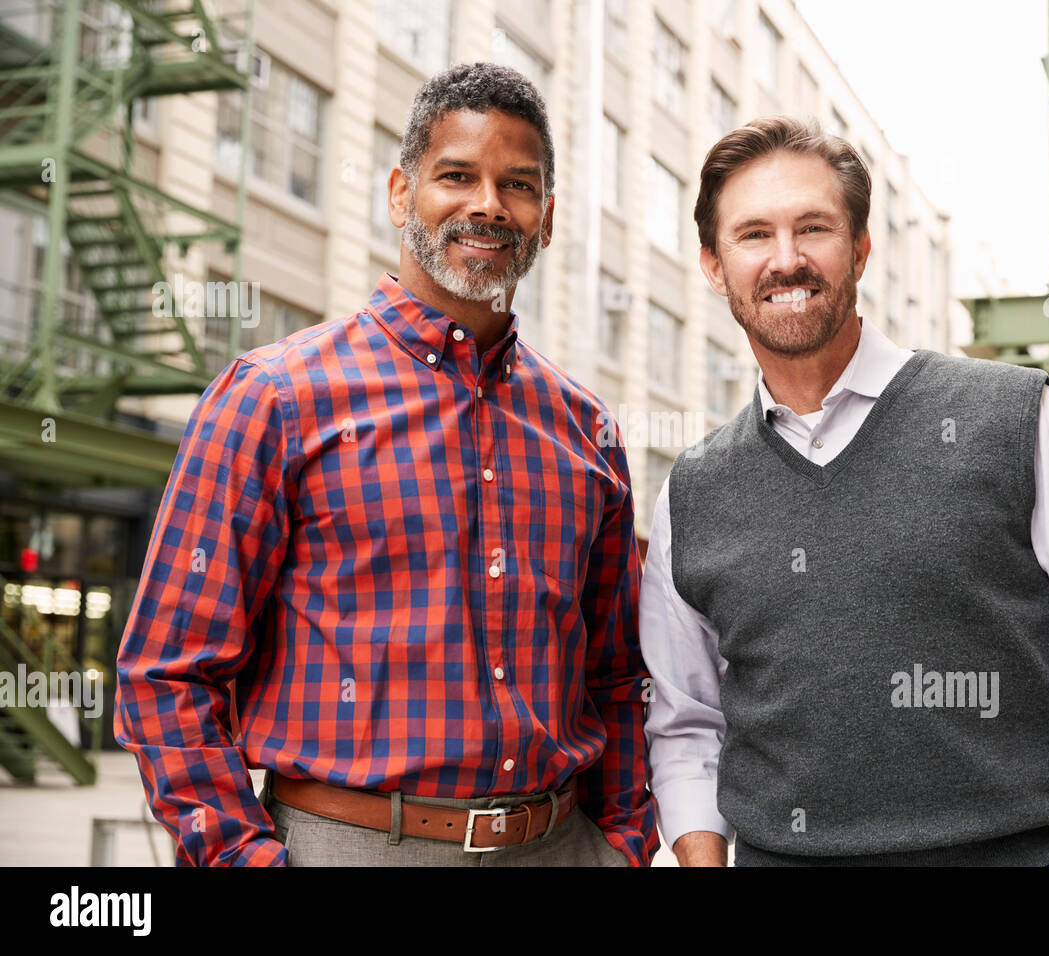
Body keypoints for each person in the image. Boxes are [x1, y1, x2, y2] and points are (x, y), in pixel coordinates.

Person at [115, 62, 657, 867]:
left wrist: (623, 846)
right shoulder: (275, 397)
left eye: (518, 185)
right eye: (457, 176)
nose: (487, 205)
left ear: (545, 218)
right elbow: (166, 674)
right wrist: (244, 861)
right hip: (352, 844)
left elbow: (617, 678)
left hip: (563, 845)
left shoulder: (587, 431)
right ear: (402, 194)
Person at [640, 116, 1049, 867]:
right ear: (713, 264)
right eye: (753, 235)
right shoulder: (695, 490)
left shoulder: (1015, 420)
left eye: (815, 228)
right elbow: (687, 727)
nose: (787, 259)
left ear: (862, 248)